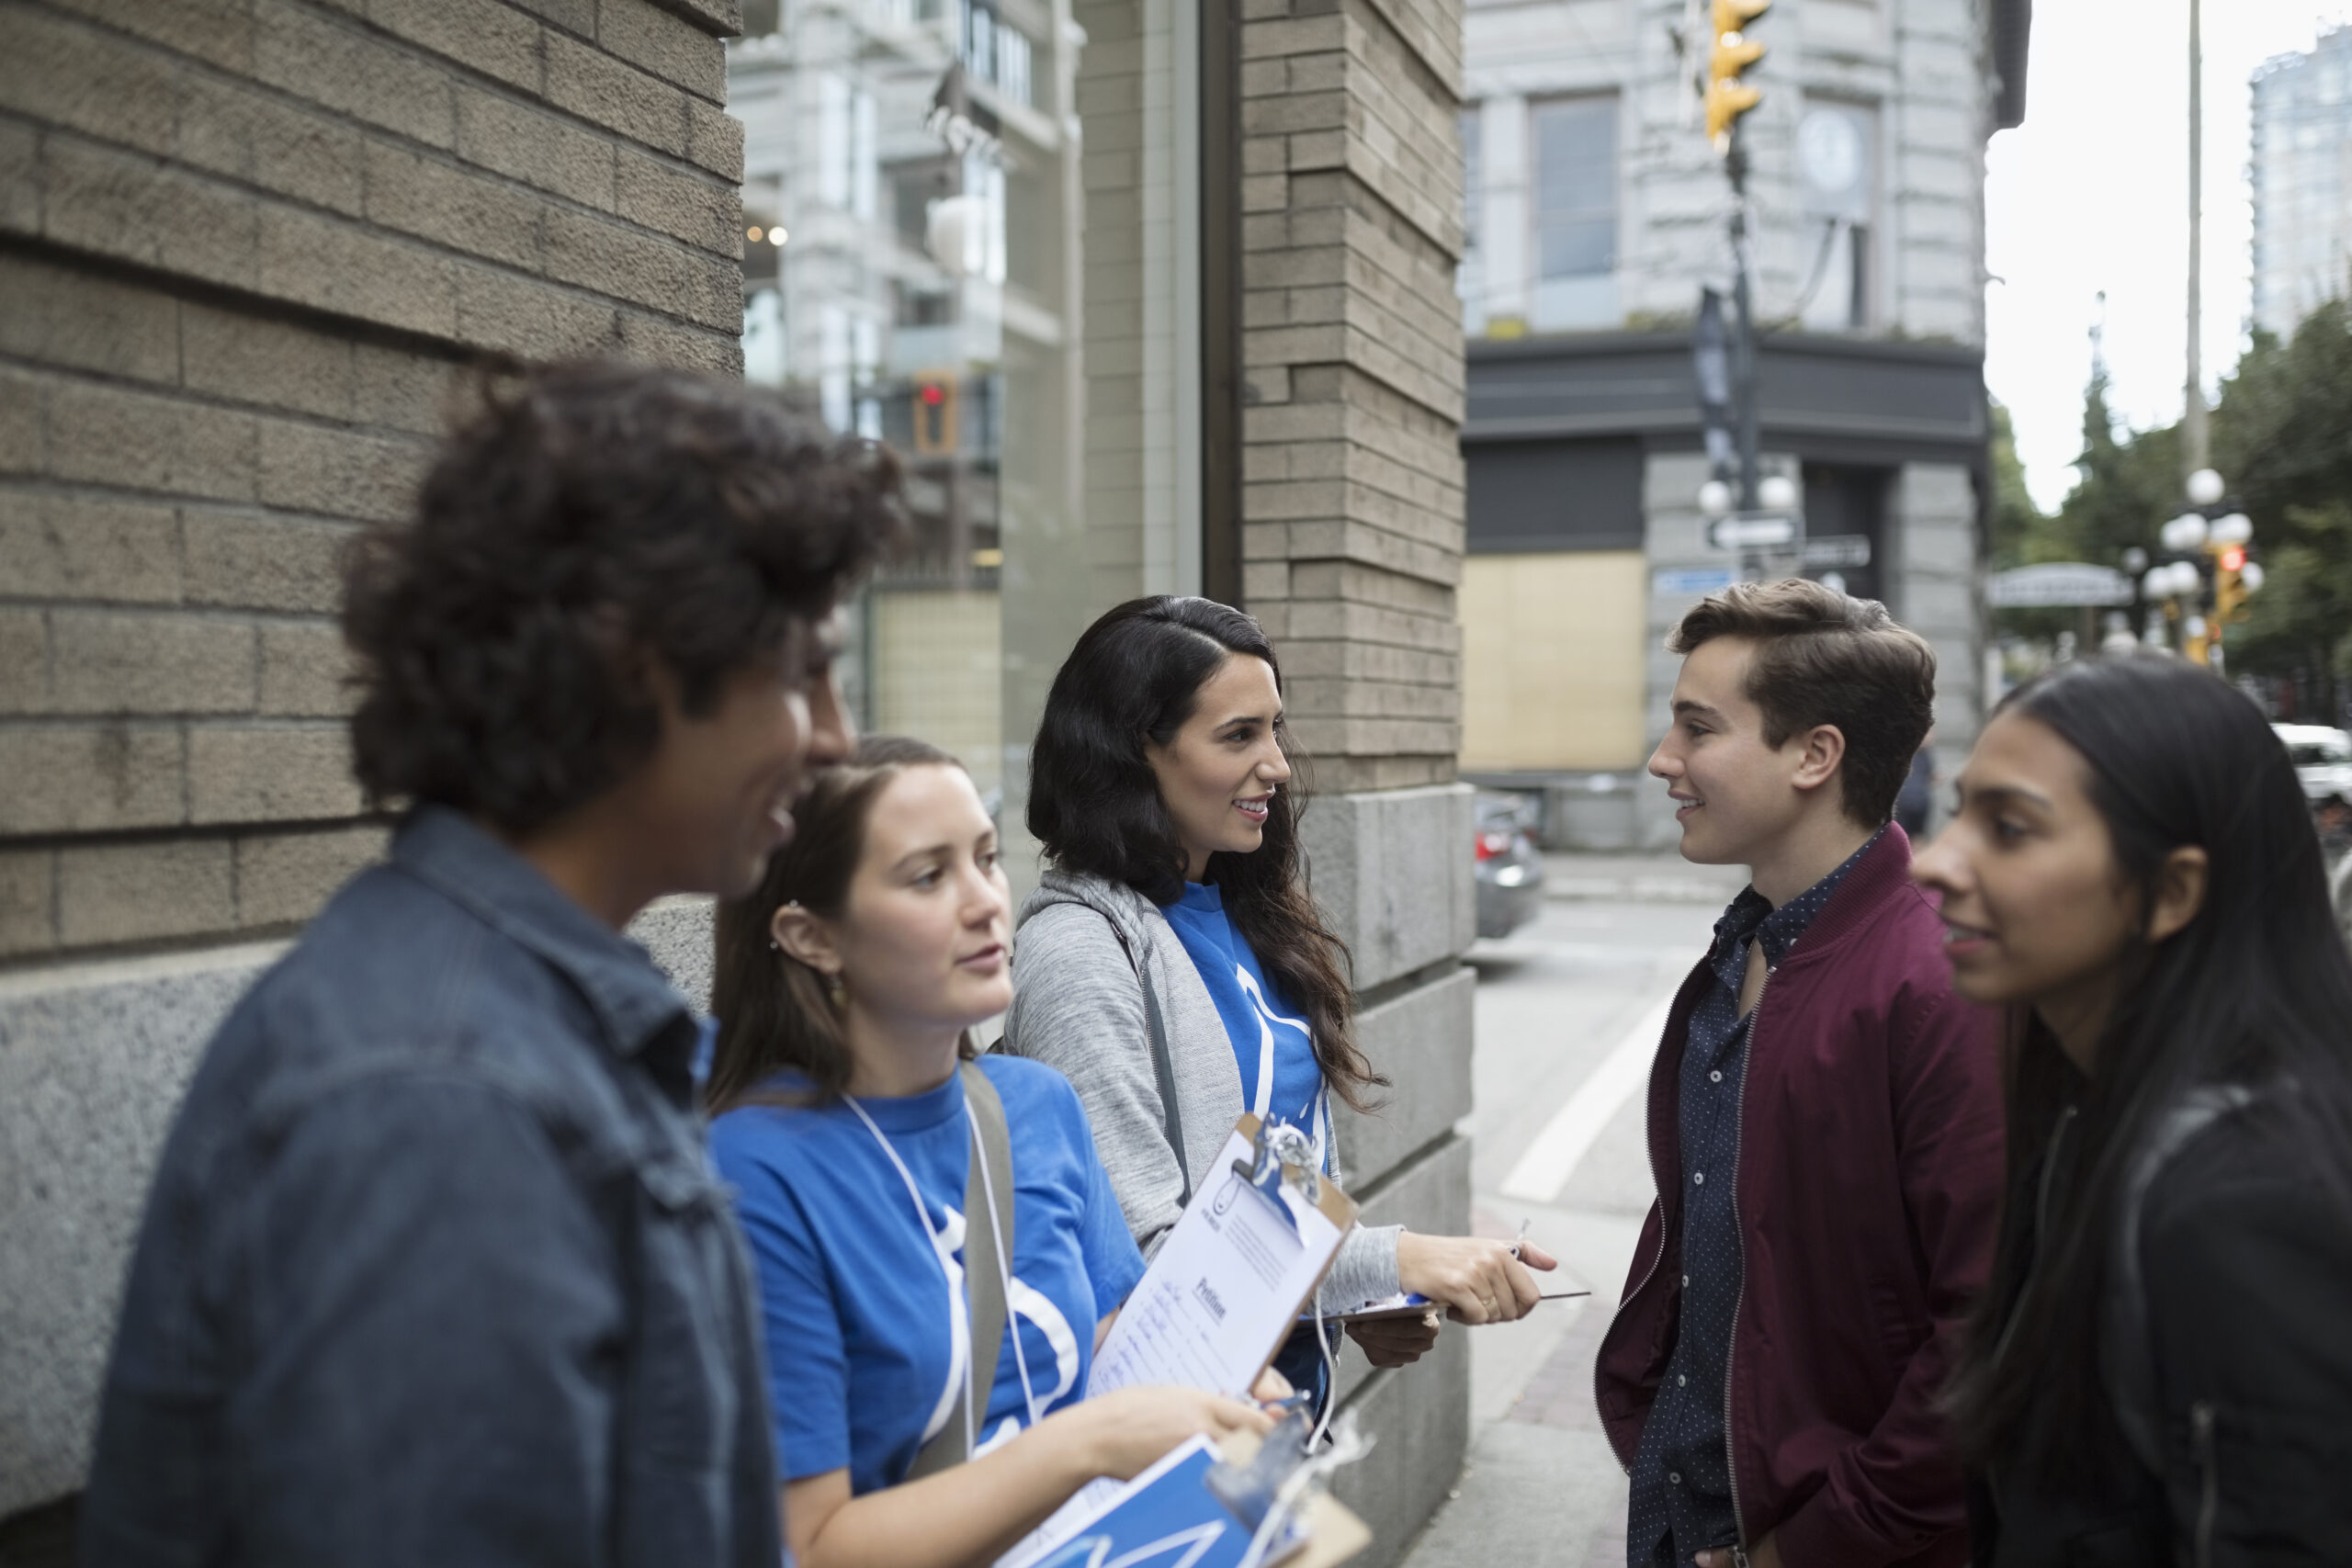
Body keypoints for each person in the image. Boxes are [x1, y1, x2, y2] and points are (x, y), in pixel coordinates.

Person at [78, 365, 903, 1567]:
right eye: (798, 672)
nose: (832, 734)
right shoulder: (442, 1096)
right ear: (641, 664)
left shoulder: (514, 1025)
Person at [706, 736, 1272, 1568]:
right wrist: (1086, 1443)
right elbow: (811, 1544)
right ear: (810, 935)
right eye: (928, 876)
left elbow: (1121, 1348)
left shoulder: (1036, 1104)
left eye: (985, 857)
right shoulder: (748, 1175)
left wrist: (1223, 1397)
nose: (985, 902)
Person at [1005, 596, 1554, 1405]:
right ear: (1133, 753)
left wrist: (1349, 1300)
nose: (1278, 764)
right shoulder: (1079, 954)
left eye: (1273, 728)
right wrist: (1389, 1260)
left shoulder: (1239, 904)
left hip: (1277, 1416)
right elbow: (1142, 1258)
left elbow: (1261, 1197)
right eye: (1238, 735)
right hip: (1168, 1440)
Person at [1595, 580, 2005, 1568]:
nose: (1664, 760)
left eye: (1697, 728)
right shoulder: (1738, 950)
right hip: (1687, 1503)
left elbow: (1986, 1333)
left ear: (1815, 756)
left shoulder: (1940, 983)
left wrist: (1810, 1547)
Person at [1913, 655, 2352, 1565]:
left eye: (2010, 827)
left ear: (2172, 890)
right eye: (1959, 810)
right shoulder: (2087, 1101)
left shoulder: (2241, 1198)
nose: (1934, 860)